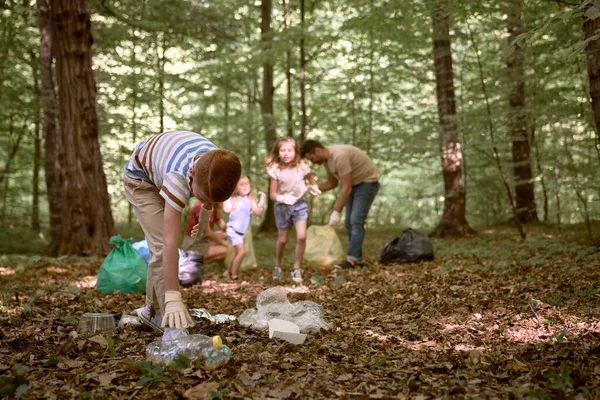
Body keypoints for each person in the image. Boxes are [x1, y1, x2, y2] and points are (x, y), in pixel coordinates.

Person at [123, 130, 241, 340]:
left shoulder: (218, 162)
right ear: (193, 173)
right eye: (198, 195)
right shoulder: (177, 178)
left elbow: (210, 193)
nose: (198, 199)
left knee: (160, 246)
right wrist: (173, 297)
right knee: (159, 245)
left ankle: (151, 311)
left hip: (161, 165)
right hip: (140, 180)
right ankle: (165, 318)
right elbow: (169, 244)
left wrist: (205, 218)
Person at [300, 139, 381, 269]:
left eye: (312, 158)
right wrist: (314, 188)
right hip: (354, 184)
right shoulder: (327, 162)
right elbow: (332, 183)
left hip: (367, 182)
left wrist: (336, 212)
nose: (313, 162)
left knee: (356, 220)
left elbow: (346, 187)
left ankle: (352, 259)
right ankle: (357, 259)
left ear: (317, 150)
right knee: (348, 222)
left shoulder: (339, 156)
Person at [265, 137, 320, 283]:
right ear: (278, 152)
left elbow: (311, 177)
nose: (286, 153)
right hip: (283, 206)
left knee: (302, 237)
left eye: (289, 150)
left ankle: (296, 268)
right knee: (282, 240)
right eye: (283, 150)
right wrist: (283, 199)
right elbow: (272, 194)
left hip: (299, 205)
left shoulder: (301, 166)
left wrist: (314, 186)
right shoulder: (275, 169)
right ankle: (278, 265)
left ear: (295, 152)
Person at [222, 175, 266, 280]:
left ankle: (228, 272)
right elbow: (226, 209)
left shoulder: (250, 200)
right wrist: (226, 195)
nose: (245, 186)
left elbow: (258, 212)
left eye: (247, 183)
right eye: (241, 184)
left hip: (241, 232)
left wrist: (262, 201)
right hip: (233, 230)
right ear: (235, 188)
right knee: (242, 252)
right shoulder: (234, 199)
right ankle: (234, 275)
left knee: (237, 253)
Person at [182, 201, 228, 267]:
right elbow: (207, 232)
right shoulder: (202, 206)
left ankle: (224, 270)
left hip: (203, 241)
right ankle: (192, 263)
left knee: (222, 235)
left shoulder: (213, 206)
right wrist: (223, 243)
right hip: (193, 244)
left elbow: (223, 226)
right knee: (226, 250)